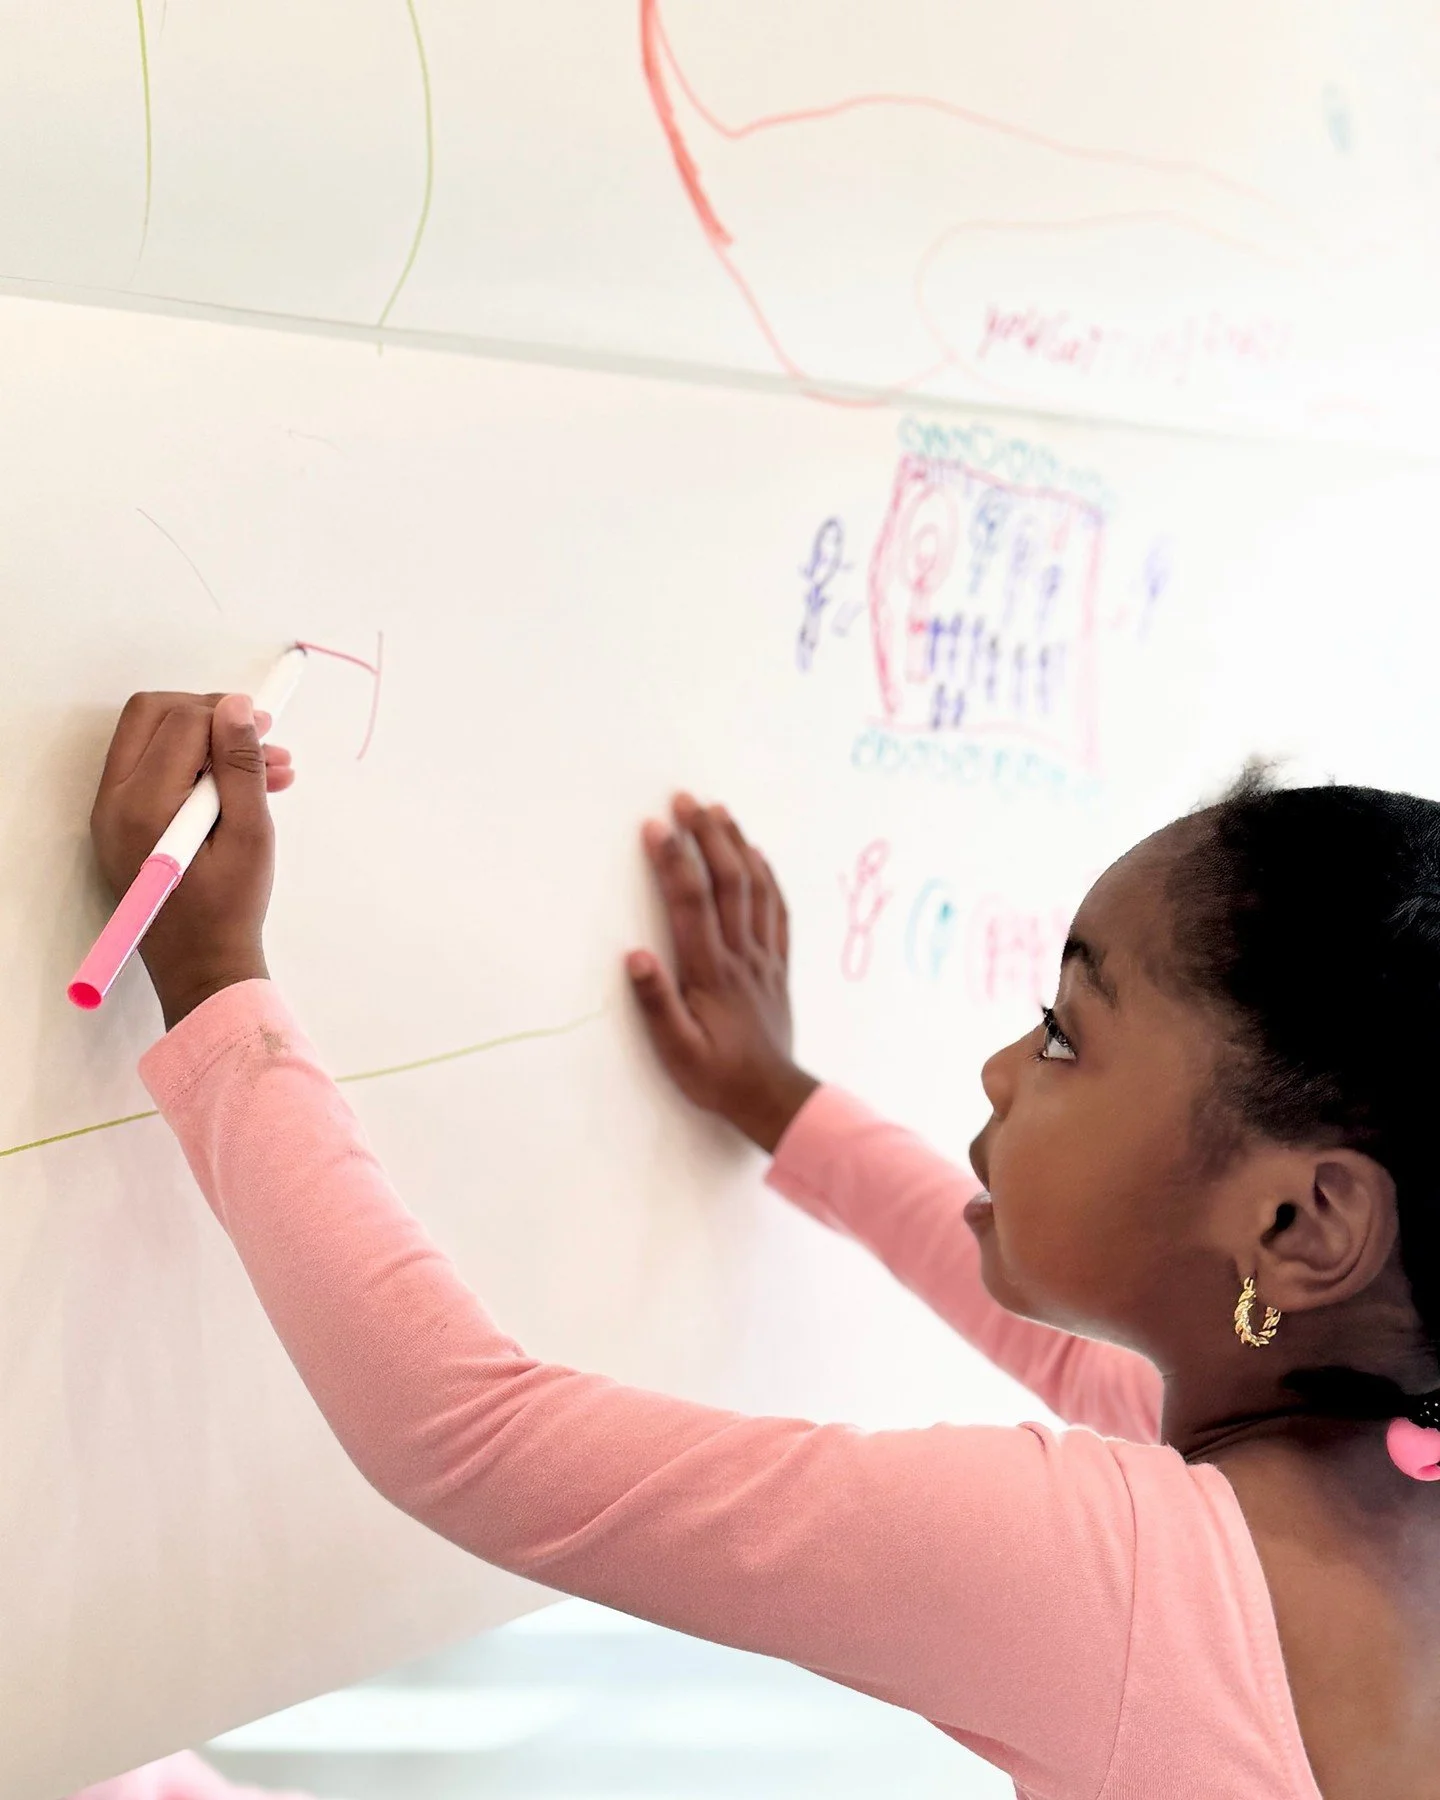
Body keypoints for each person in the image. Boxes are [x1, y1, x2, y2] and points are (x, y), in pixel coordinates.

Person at [79, 689, 1440, 1798]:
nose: (999, 1069)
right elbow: (1032, 1318)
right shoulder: (1365, 1460)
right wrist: (777, 1101)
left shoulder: (1121, 1579)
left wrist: (215, 984)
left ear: (1296, 1225)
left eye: (1069, 1034)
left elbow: (465, 1434)